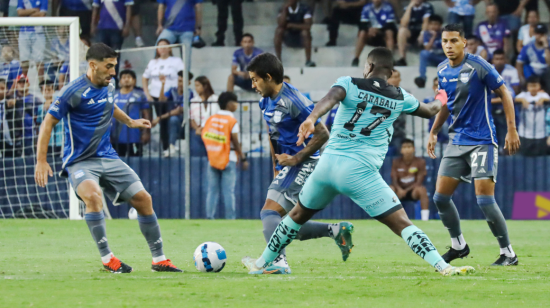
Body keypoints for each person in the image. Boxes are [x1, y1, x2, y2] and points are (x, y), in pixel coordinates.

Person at [242, 47, 475, 277]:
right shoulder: (400, 96)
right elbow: (431, 109)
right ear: (390, 70)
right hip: (359, 172)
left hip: (327, 166)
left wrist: (312, 118)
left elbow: (329, 99)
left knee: (293, 218)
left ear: (370, 67)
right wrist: (442, 94)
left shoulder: (349, 83)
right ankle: (444, 267)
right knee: (403, 224)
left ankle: (262, 263)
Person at [34, 43, 182, 273]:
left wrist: (130, 122)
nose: (114, 72)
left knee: (144, 199)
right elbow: (48, 123)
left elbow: (109, 105)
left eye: (115, 66)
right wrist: (41, 161)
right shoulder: (72, 92)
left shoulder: (109, 85)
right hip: (80, 161)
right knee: (93, 197)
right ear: (93, 65)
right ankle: (107, 259)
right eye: (109, 66)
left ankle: (159, 259)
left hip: (108, 157)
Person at [245, 53, 354, 274]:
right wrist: (276, 164)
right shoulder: (264, 100)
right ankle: (336, 230)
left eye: (255, 79)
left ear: (268, 77)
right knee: (288, 224)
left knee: (269, 213)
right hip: (287, 165)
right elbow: (271, 132)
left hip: (304, 163)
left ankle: (278, 261)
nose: (252, 84)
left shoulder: (294, 101)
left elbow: (323, 134)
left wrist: (295, 159)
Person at [429, 24, 521, 266]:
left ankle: (508, 253)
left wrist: (511, 129)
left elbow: (505, 93)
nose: (448, 46)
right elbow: (447, 103)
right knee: (440, 197)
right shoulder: (441, 69)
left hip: (482, 141)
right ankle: (459, 246)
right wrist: (434, 130)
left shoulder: (478, 65)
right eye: (445, 41)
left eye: (453, 41)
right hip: (456, 140)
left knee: (484, 200)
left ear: (464, 42)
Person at [201, 92, 248, 219]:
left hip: (213, 158)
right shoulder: (231, 121)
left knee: (212, 191)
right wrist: (242, 157)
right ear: (229, 104)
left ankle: (209, 218)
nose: (237, 105)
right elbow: (235, 141)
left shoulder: (211, 119)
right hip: (229, 158)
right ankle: (230, 219)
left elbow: (204, 134)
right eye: (235, 102)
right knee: (228, 191)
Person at [142, 39, 185, 153]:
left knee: (170, 119)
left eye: (165, 46)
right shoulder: (153, 62)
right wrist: (147, 93)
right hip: (156, 94)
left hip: (172, 95)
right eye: (160, 46)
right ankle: (165, 147)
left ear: (170, 48)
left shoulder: (176, 61)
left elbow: (183, 75)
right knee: (162, 122)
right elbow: (145, 77)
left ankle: (171, 145)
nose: (163, 48)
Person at [154, 71, 194, 157]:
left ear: (189, 83)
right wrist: (163, 85)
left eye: (183, 81)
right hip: (170, 120)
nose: (180, 84)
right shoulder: (172, 90)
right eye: (179, 81)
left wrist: (160, 117)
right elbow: (161, 100)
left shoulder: (189, 93)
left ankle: (171, 146)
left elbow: (180, 110)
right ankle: (168, 147)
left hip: (184, 120)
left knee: (173, 119)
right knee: (169, 122)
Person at [111, 70, 151, 157]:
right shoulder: (113, 95)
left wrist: (146, 132)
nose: (126, 80)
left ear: (134, 80)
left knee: (135, 160)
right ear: (120, 80)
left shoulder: (140, 95)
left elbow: (146, 113)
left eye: (129, 77)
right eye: (124, 77)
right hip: (115, 134)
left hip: (134, 135)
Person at [390, 139, 430, 221]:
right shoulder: (396, 162)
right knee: (389, 189)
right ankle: (386, 217)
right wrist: (400, 189)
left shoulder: (420, 162)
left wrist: (406, 191)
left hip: (412, 191)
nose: (407, 149)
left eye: (409, 147)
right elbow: (394, 179)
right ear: (401, 150)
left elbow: (419, 181)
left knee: (422, 190)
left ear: (414, 149)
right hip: (398, 190)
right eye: (404, 147)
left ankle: (425, 219)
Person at [156, 0, 202, 70]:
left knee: (186, 57)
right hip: (169, 28)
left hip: (187, 29)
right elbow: (161, 6)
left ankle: (186, 79)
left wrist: (198, 27)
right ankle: (155, 71)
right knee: (159, 47)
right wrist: (160, 25)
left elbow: (198, 7)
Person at [352, 0, 396, 67]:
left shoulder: (388, 7)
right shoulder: (366, 7)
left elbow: (390, 25)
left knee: (389, 32)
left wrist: (378, 30)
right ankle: (356, 58)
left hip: (382, 34)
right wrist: (369, 29)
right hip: (370, 34)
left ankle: (390, 59)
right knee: (362, 33)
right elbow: (363, 24)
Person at [491, 49, 520, 153]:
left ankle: (508, 149)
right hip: (493, 102)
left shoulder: (512, 70)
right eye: (497, 59)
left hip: (508, 102)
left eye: (501, 59)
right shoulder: (488, 70)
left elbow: (515, 91)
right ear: (493, 60)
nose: (499, 61)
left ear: (505, 59)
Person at [274, 0, 316, 67]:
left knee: (305, 32)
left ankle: (308, 60)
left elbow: (308, 26)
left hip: (301, 39)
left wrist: (291, 25)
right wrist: (285, 10)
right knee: (279, 31)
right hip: (289, 37)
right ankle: (278, 60)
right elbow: (280, 24)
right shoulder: (283, 8)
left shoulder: (305, 8)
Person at [516, 76, 549, 156]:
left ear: (539, 86)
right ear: (527, 87)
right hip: (525, 133)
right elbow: (514, 99)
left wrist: (543, 100)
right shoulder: (523, 95)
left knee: (540, 157)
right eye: (531, 86)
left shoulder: (543, 95)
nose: (533, 88)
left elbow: (548, 99)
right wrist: (522, 100)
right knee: (525, 156)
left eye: (535, 85)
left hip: (540, 132)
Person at [396, 0, 434, 66]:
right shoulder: (407, 7)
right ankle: (402, 58)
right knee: (402, 30)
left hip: (423, 30)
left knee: (428, 32)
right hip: (411, 31)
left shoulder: (427, 6)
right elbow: (403, 24)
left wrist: (422, 34)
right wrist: (410, 7)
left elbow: (426, 21)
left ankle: (428, 60)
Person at [17, 0, 47, 82]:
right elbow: (20, 13)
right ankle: (23, 83)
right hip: (24, 32)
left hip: (38, 33)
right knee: (24, 60)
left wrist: (26, 15)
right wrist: (34, 10)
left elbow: (42, 14)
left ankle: (41, 84)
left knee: (39, 61)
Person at [190, 76, 219, 156]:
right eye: (195, 86)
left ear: (205, 86)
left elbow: (218, 116)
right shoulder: (193, 101)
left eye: (198, 85)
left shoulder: (216, 99)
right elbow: (191, 119)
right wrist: (198, 129)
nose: (196, 88)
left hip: (213, 129)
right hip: (198, 130)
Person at [516, 23, 550, 92]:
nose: (540, 36)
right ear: (534, 34)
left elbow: (549, 63)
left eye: (542, 34)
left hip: (546, 72)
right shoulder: (528, 46)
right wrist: (521, 78)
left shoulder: (548, 44)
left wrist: (546, 46)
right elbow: (519, 63)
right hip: (533, 73)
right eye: (538, 33)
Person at [414, 15, 445, 88]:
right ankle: (422, 78)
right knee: (423, 53)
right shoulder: (427, 33)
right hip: (433, 58)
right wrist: (433, 37)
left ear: (440, 25)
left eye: (436, 24)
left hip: (444, 59)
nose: (433, 26)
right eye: (431, 24)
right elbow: (427, 48)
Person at [36, 80, 63, 155]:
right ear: (41, 92)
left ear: (53, 91)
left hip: (59, 140)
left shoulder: (60, 104)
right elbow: (38, 122)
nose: (47, 92)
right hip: (46, 140)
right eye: (45, 90)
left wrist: (52, 102)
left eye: (49, 90)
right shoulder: (40, 107)